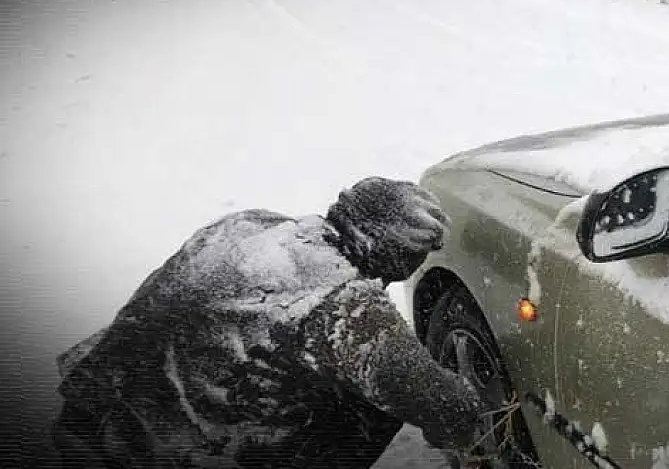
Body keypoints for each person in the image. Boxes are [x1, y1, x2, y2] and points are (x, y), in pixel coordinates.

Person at [51, 177, 484, 468]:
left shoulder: (248, 225)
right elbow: (443, 405)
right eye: (412, 258)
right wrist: (476, 412)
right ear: (384, 249)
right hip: (155, 453)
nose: (409, 271)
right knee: (371, 403)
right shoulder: (343, 308)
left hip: (96, 409)